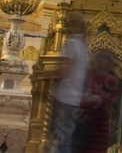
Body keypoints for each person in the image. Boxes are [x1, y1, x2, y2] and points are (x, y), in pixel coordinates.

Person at [51, 11, 89, 153]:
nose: (67, 27)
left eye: (71, 24)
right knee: (66, 139)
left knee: (60, 139)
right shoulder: (83, 47)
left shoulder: (71, 43)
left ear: (76, 26)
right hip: (76, 99)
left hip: (64, 97)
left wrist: (50, 74)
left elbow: (63, 70)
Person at [74, 50, 121, 153]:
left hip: (98, 122)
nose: (100, 60)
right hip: (82, 120)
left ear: (109, 63)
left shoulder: (111, 80)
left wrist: (96, 98)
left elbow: (108, 98)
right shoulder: (86, 74)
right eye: (98, 57)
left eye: (105, 58)